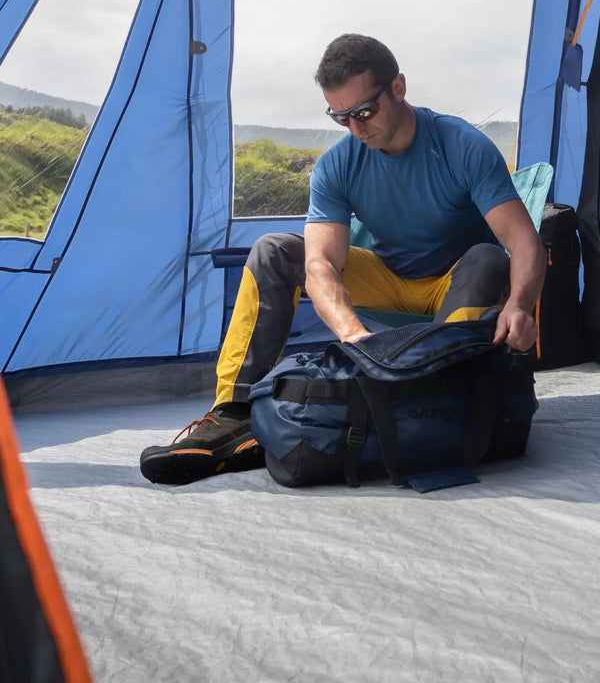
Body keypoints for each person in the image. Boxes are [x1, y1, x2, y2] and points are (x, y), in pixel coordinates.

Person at [140, 34, 545, 485]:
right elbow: (318, 266)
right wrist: (354, 335)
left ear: (398, 87)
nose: (356, 128)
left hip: (458, 283)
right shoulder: (338, 165)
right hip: (389, 278)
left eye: (364, 112)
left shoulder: (461, 146)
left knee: (489, 256)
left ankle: (439, 402)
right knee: (275, 251)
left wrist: (519, 306)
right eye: (341, 117)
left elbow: (526, 242)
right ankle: (234, 414)